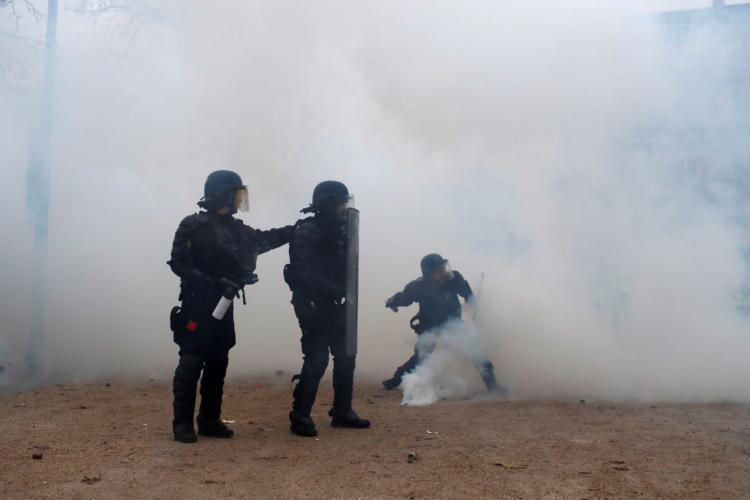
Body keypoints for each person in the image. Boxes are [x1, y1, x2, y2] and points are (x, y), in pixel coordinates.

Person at [168, 170, 294, 443]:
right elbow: (179, 263)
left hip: (224, 304)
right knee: (191, 361)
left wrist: (297, 229)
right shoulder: (192, 225)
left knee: (218, 360)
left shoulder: (237, 230)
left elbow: (264, 239)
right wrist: (212, 282)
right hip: (197, 303)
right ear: (223, 194)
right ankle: (182, 423)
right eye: (236, 195)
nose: (239, 201)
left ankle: (209, 420)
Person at [284, 180, 370, 437]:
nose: (346, 207)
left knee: (346, 355)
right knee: (317, 357)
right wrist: (333, 289)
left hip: (335, 303)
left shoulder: (342, 230)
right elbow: (302, 271)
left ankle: (342, 411)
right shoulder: (308, 230)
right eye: (342, 202)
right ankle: (300, 416)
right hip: (311, 303)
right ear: (330, 203)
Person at [381, 253, 503, 393]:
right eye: (438, 271)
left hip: (454, 324)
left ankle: (493, 386)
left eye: (443, 268)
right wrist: (392, 302)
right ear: (428, 274)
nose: (443, 273)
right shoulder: (418, 287)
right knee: (421, 356)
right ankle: (396, 379)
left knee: (475, 351)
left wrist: (472, 301)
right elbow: (404, 298)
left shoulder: (454, 279)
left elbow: (468, 295)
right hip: (429, 326)